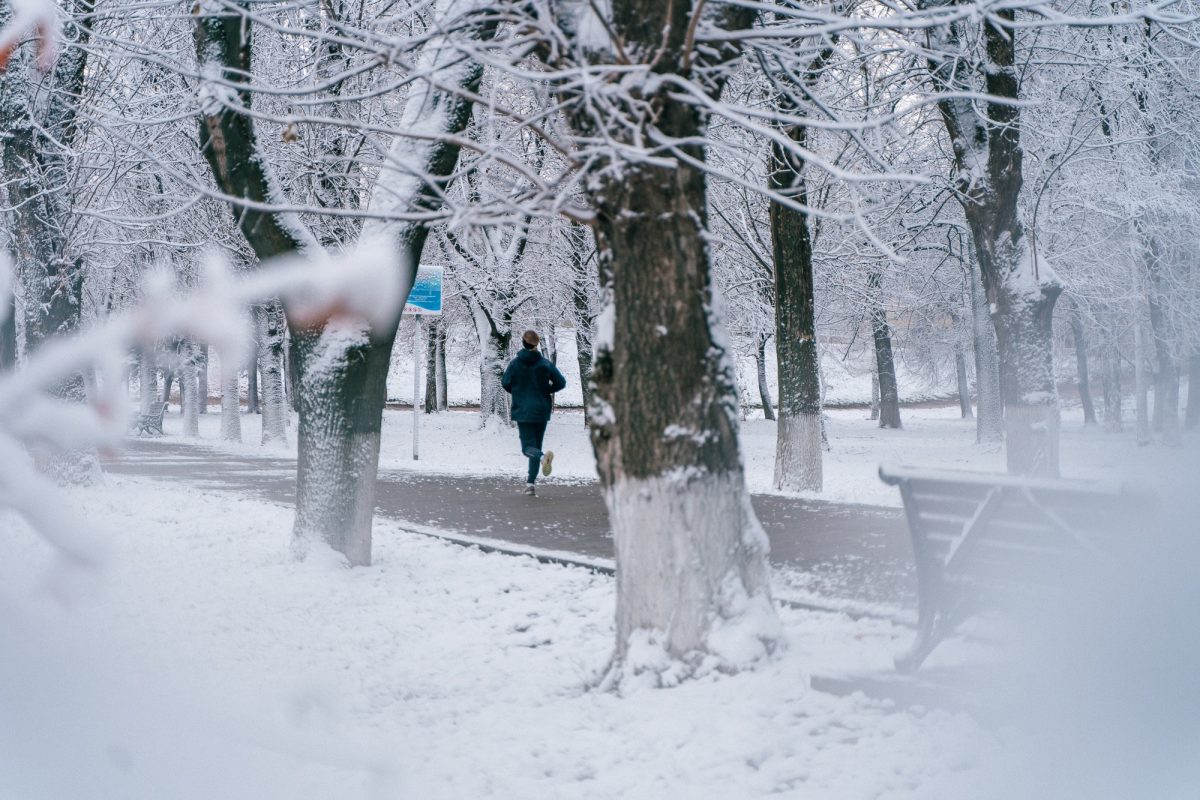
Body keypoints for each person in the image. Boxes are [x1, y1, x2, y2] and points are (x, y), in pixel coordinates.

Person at [501, 330, 567, 496]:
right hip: (541, 409)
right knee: (536, 446)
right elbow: (561, 382)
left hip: (523, 409)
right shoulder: (545, 364)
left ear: (523, 343)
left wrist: (517, 391)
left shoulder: (515, 363)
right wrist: (547, 390)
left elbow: (505, 383)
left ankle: (542, 457)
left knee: (528, 448)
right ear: (536, 344)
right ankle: (530, 484)